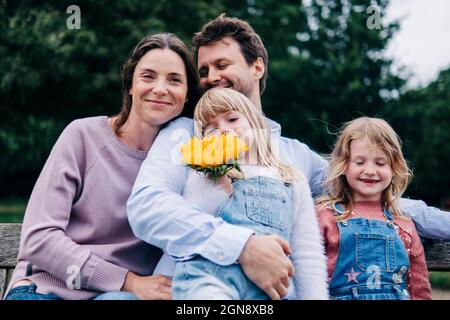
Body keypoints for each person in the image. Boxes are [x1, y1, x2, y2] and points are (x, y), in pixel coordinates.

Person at [127, 15, 450, 300]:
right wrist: (243, 246)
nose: (211, 77)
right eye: (204, 70)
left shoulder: (295, 157)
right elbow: (148, 205)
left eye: (222, 65)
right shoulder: (187, 134)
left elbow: (369, 196)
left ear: (257, 66)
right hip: (193, 288)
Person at [4, 33, 200, 300]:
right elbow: (39, 239)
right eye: (148, 76)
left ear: (187, 95)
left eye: (174, 80)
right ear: (130, 84)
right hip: (47, 290)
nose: (160, 88)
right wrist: (128, 281)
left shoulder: (187, 161)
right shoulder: (83, 135)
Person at [157, 87, 328, 299]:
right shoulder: (204, 174)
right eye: (211, 128)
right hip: (209, 280)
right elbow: (190, 228)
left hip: (270, 289)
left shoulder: (292, 179)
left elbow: (307, 253)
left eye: (232, 120)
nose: (223, 130)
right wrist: (217, 183)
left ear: (254, 122)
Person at [316, 117, 431, 300]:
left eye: (380, 163)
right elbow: (308, 274)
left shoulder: (403, 225)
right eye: (360, 162)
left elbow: (419, 287)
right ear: (344, 165)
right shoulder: (325, 215)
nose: (370, 170)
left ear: (394, 168)